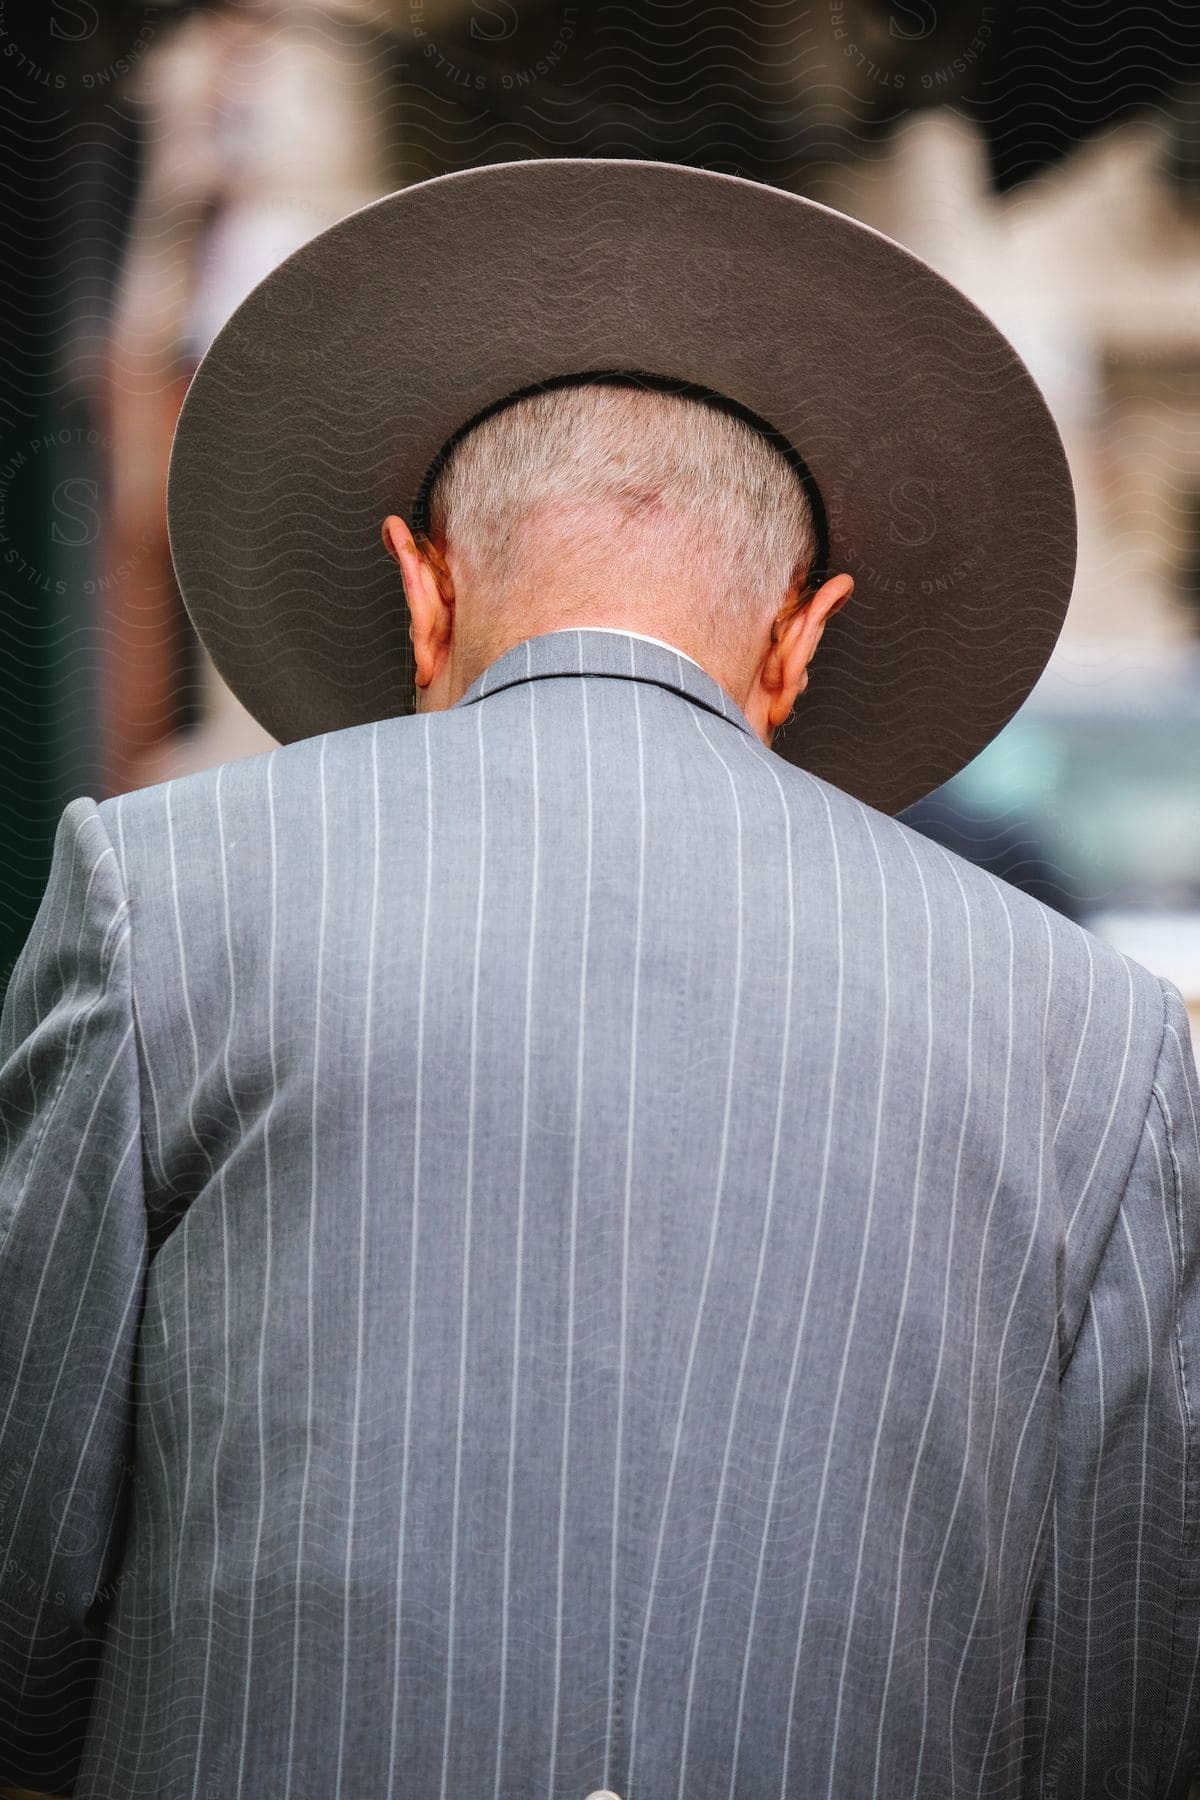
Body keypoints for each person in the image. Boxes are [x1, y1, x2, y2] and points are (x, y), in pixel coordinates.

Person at [1, 158, 1197, 1800]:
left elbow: (22, 1574)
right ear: (804, 635)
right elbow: (1120, 1698)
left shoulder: (161, 895)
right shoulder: (1095, 1032)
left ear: (421, 591)